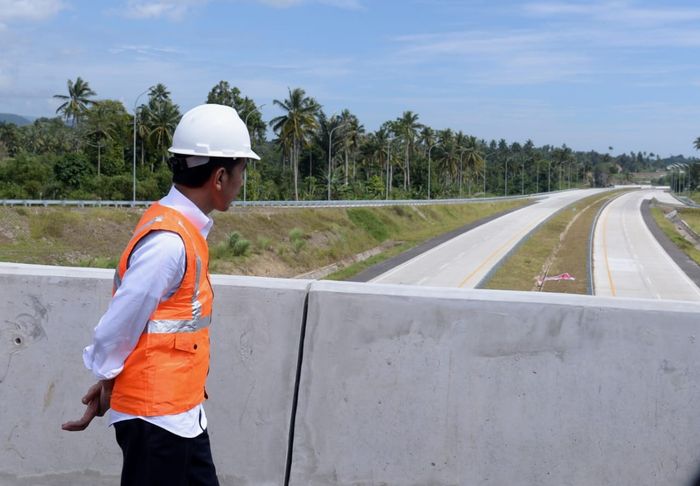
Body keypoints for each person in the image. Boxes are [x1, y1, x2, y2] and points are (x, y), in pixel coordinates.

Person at [62, 103, 259, 486]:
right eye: (242, 171)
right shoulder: (169, 243)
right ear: (219, 177)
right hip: (157, 420)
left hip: (181, 415)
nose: (241, 181)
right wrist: (107, 380)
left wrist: (110, 382)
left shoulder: (181, 229)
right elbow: (117, 327)